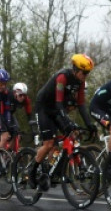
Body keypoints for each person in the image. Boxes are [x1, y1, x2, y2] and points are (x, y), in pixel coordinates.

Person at [31, 54, 97, 190]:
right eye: (84, 73)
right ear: (75, 69)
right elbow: (59, 102)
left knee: (72, 136)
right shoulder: (62, 77)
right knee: (49, 143)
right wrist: (67, 121)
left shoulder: (81, 82)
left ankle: (55, 170)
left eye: (88, 73)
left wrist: (90, 125)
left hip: (56, 109)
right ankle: (32, 172)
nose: (86, 76)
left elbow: (81, 105)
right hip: (44, 107)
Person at [6, 82, 35, 148]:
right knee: (6, 134)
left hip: (10, 114)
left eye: (24, 95)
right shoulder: (9, 96)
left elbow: (29, 114)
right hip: (1, 114)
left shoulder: (26, 100)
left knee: (17, 134)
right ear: (15, 93)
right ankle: (0, 153)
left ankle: (10, 153)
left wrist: (32, 129)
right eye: (20, 95)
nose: (22, 97)